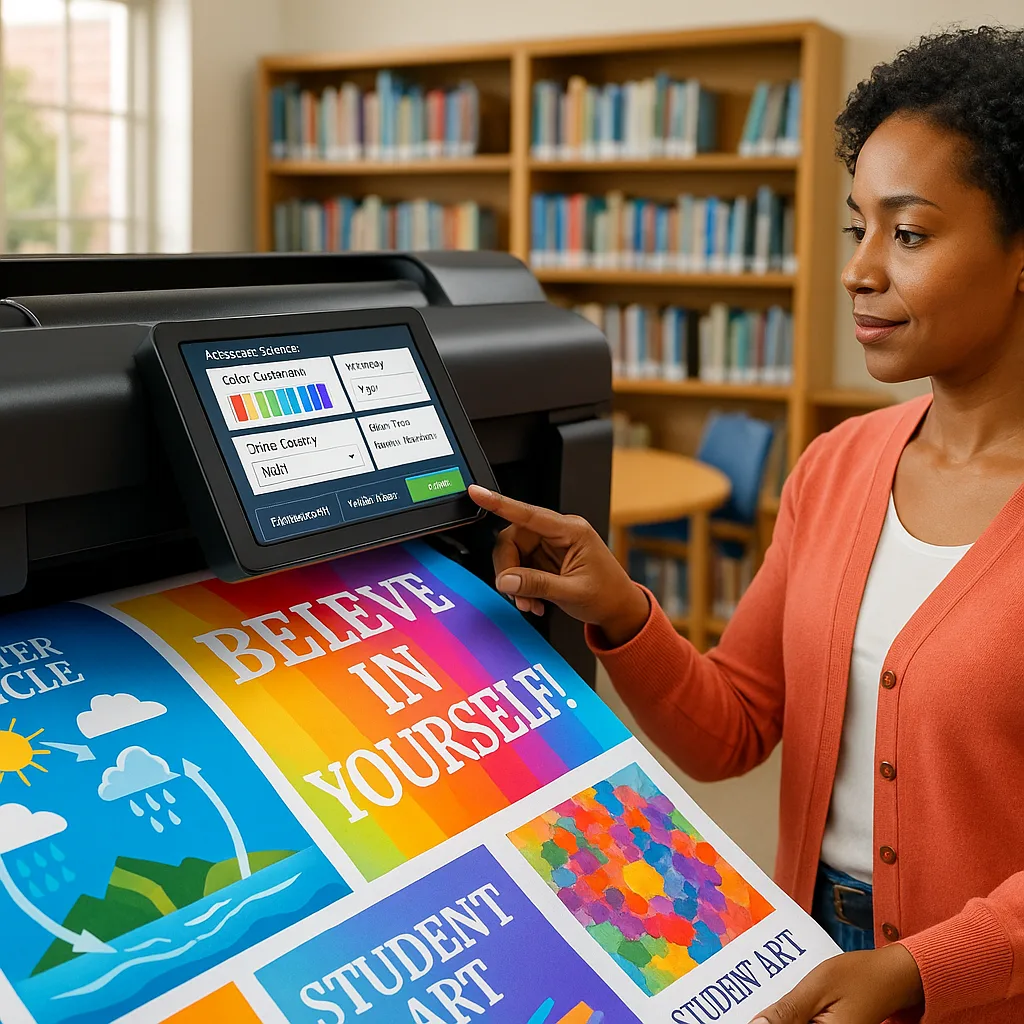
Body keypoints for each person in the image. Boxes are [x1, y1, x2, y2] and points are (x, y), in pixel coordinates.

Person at [470, 25, 1024, 1024]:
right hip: (803, 957)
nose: (858, 271)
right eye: (856, 228)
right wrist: (623, 611)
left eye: (908, 233)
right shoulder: (838, 465)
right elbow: (731, 731)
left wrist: (918, 970)